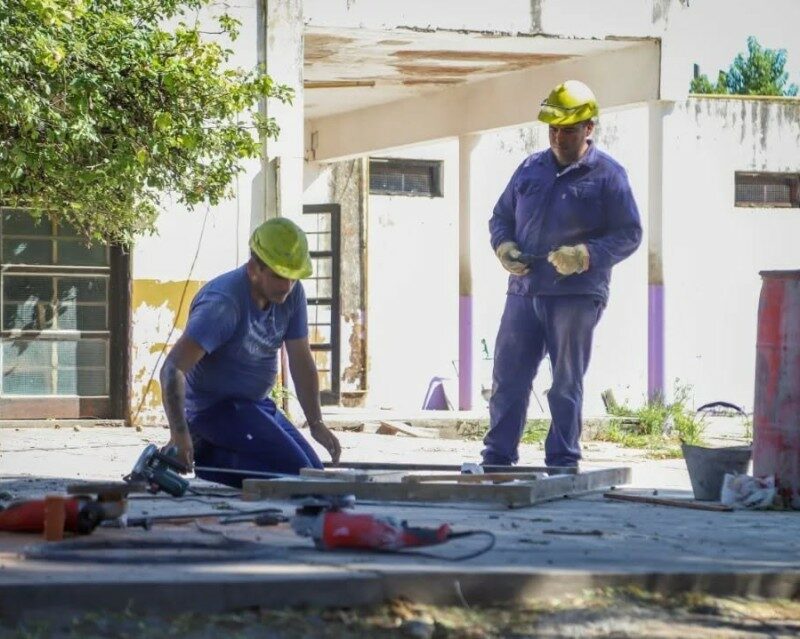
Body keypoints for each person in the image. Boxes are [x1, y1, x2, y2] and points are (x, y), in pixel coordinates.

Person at [482, 80, 642, 469]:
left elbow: (630, 234)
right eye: (553, 129)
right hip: (524, 290)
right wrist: (504, 247)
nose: (558, 137)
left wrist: (585, 255)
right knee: (508, 378)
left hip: (576, 295)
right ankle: (497, 460)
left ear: (589, 128)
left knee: (566, 382)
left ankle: (562, 462)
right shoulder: (529, 169)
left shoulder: (609, 176)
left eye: (568, 130)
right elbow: (501, 217)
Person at [159, 217, 341, 487]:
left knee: (312, 473)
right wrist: (179, 435)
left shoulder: (292, 294)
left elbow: (301, 359)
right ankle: (205, 455)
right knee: (294, 478)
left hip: (256, 405)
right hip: (213, 410)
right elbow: (172, 369)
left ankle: (211, 451)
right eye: (279, 276)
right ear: (254, 268)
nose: (287, 286)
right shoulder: (223, 304)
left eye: (293, 278)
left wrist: (316, 422)